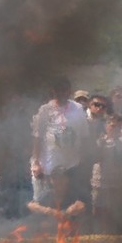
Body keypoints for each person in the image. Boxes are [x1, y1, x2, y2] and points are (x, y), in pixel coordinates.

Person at [28, 76, 91, 216]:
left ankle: (70, 231)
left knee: (73, 202)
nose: (62, 93)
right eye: (58, 91)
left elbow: (84, 135)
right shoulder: (45, 110)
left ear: (69, 91)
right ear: (53, 91)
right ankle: (47, 231)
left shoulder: (78, 109)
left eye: (65, 90)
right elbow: (37, 137)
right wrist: (36, 162)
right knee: (45, 202)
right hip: (49, 167)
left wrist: (83, 157)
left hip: (72, 165)